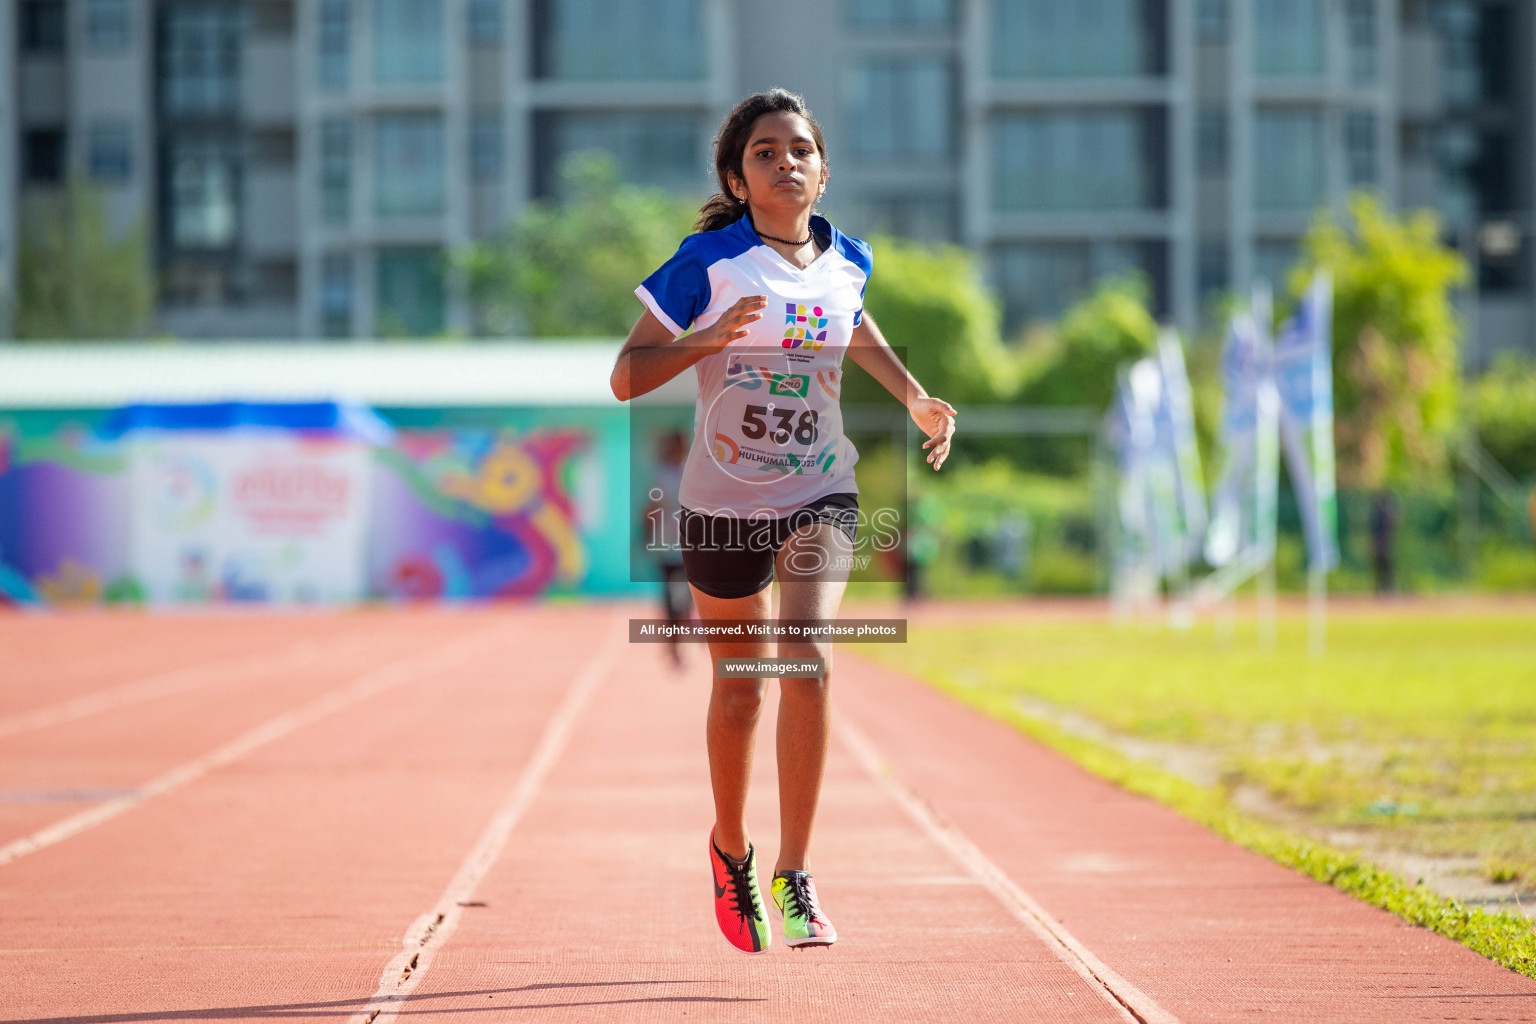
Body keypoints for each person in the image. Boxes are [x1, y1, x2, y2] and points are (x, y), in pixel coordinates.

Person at [610, 88, 956, 954]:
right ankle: (731, 846)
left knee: (808, 656)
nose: (785, 161)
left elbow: (855, 321)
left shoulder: (850, 261)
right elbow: (626, 376)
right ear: (738, 174)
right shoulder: (707, 261)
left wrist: (914, 400)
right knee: (740, 694)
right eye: (765, 151)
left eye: (800, 148)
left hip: (819, 491)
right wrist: (710, 334)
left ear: (823, 169)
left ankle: (795, 873)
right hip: (722, 502)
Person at [643, 430, 694, 670]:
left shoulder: (690, 472)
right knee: (671, 600)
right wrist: (645, 534)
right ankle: (673, 646)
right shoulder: (664, 474)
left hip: (690, 546)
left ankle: (679, 643)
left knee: (688, 598)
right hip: (667, 546)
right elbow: (654, 507)